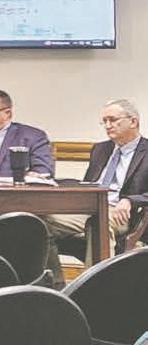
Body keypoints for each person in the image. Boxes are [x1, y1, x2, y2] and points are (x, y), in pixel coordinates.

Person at [45, 99, 148, 271]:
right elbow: (89, 184)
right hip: (90, 208)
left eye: (113, 120)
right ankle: (55, 283)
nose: (107, 126)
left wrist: (130, 200)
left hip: (121, 213)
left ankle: (97, 284)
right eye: (104, 121)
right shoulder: (100, 149)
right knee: (43, 222)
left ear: (133, 122)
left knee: (99, 222)